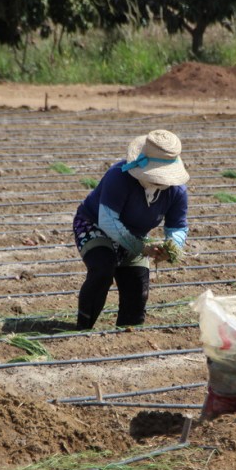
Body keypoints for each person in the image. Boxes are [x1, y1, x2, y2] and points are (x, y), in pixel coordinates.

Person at [73, 129, 189, 329]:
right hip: (95, 225)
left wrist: (172, 246)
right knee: (103, 269)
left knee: (138, 290)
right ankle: (82, 329)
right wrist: (141, 248)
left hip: (135, 235)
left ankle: (127, 335)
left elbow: (177, 226)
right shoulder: (119, 176)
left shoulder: (176, 192)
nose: (160, 180)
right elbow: (107, 220)